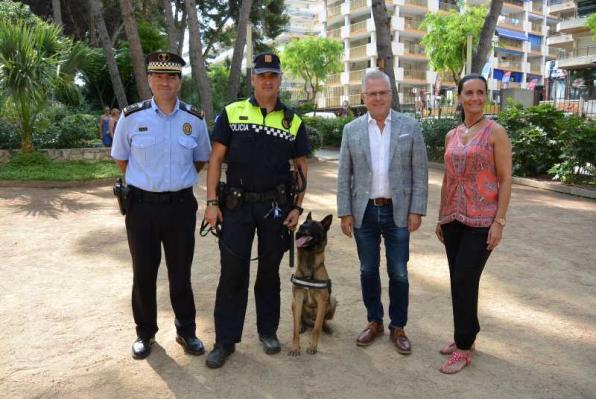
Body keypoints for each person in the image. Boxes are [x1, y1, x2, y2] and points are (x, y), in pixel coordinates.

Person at [203, 52, 310, 369]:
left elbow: (302, 168)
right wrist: (211, 203)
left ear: (279, 80)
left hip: (275, 209)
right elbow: (215, 160)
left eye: (273, 75)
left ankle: (268, 332)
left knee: (268, 274)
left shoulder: (293, 121)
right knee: (232, 275)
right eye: (262, 75)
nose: (267, 80)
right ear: (253, 79)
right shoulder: (232, 113)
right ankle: (225, 341)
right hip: (235, 206)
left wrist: (297, 208)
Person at [111, 51, 212, 360]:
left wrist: (175, 184)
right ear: (149, 80)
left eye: (172, 76)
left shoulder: (193, 119)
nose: (165, 82)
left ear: (179, 82)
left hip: (180, 207)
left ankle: (186, 331)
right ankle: (145, 333)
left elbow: (201, 159)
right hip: (141, 208)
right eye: (159, 76)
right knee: (143, 273)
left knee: (180, 273)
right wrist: (150, 185)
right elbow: (122, 160)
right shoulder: (132, 117)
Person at [337, 70, 428, 355]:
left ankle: (398, 326)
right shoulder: (350, 130)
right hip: (363, 211)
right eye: (372, 93)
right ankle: (374, 321)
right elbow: (344, 175)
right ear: (363, 97)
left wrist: (416, 209)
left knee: (399, 272)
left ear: (391, 94)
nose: (377, 97)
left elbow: (420, 172)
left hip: (398, 212)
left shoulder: (409, 126)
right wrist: (344, 212)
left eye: (383, 92)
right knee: (367, 270)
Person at [435, 74, 512, 374]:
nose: (475, 98)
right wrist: (442, 216)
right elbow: (448, 179)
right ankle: (466, 335)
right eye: (469, 92)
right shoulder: (452, 135)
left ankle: (463, 347)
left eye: (481, 92)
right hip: (453, 218)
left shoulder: (495, 132)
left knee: (465, 278)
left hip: (482, 222)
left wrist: (499, 222)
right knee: (459, 281)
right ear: (459, 97)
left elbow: (506, 179)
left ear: (486, 96)